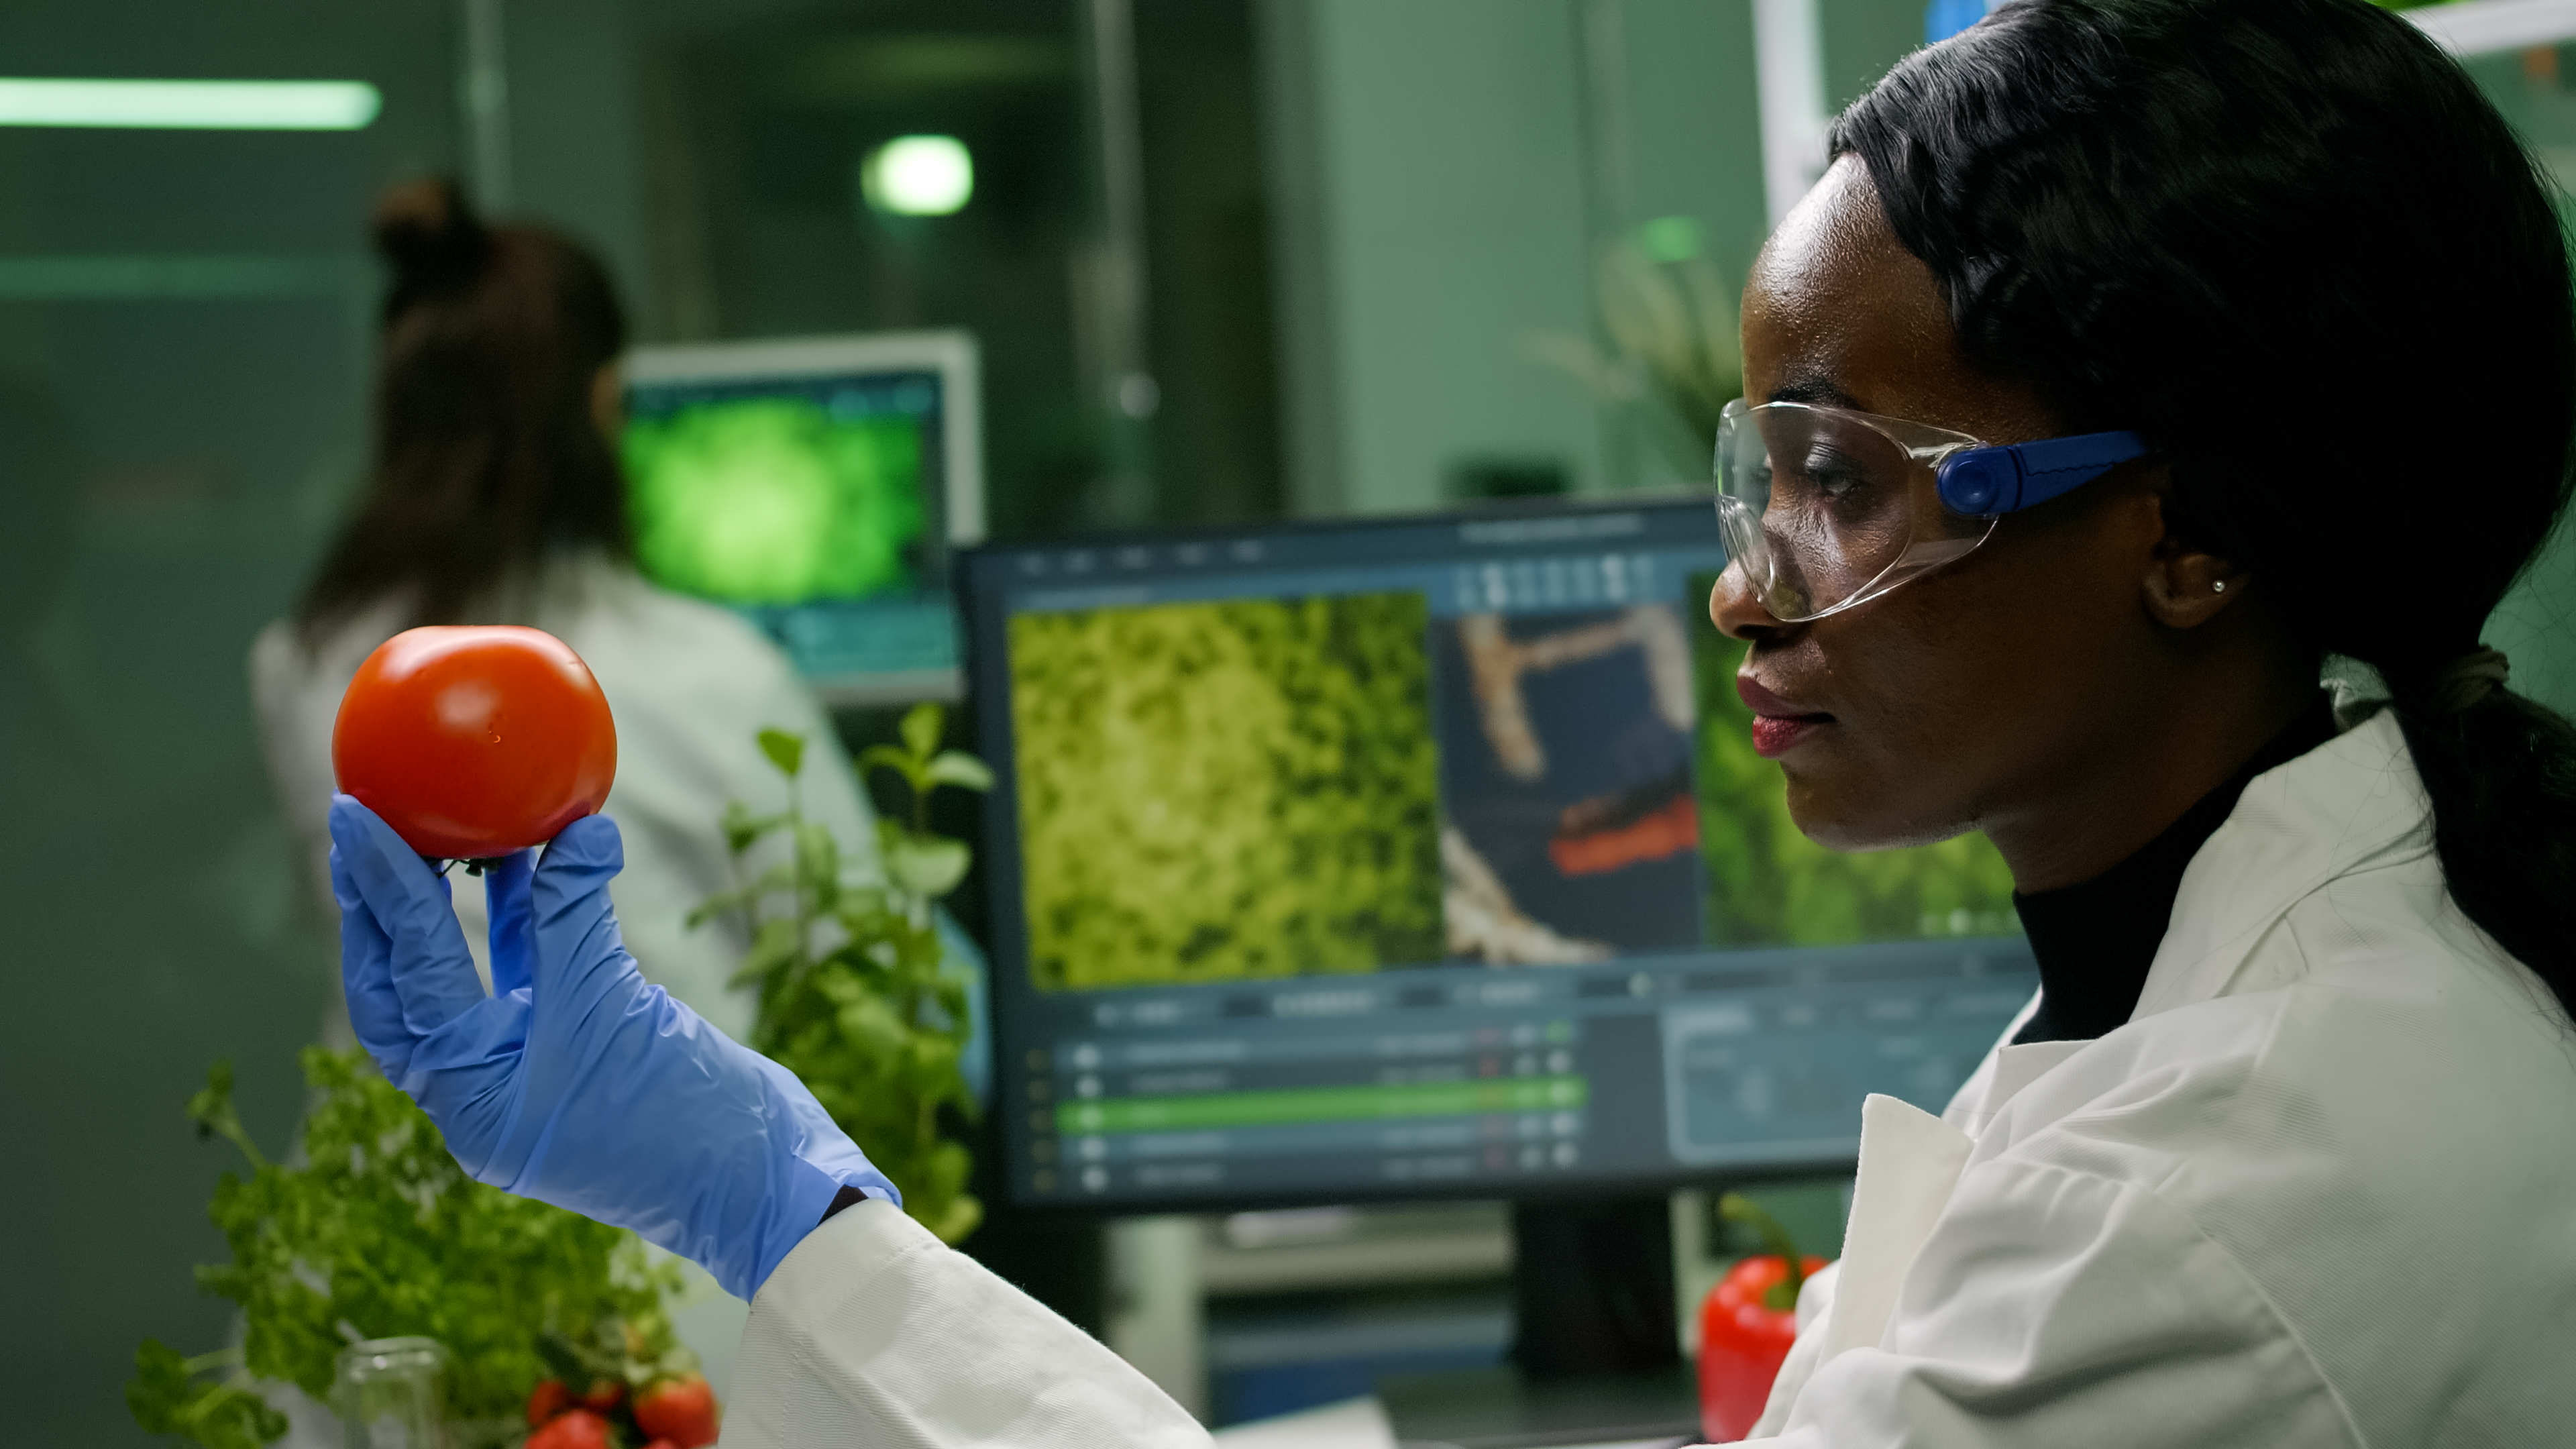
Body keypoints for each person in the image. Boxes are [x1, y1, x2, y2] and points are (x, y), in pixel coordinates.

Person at [325, 1, 2576, 1444]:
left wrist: (775, 1200)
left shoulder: (2218, 1210)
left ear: (2187, 540)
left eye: (1845, 482)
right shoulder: (2231, 999)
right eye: (1756, 471)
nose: (1741, 586)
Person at [251, 177, 881, 1048]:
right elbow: (861, 965)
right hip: (642, 1175)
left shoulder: (302, 665)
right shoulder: (706, 671)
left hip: (384, 1176)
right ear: (598, 403)